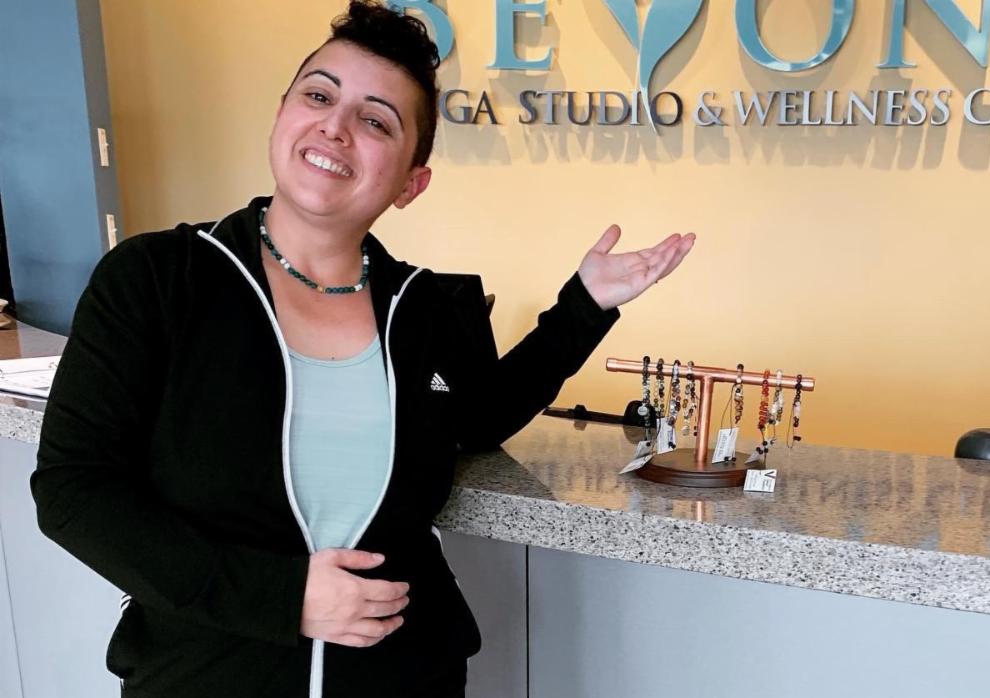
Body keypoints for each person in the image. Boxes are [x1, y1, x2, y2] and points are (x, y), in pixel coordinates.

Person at [30, 2, 695, 697]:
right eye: (319, 96)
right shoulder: (157, 279)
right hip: (201, 676)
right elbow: (75, 489)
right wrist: (279, 595)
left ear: (411, 183)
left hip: (407, 676)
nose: (335, 126)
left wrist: (584, 306)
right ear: (282, 114)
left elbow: (479, 419)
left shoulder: (428, 308)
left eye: (377, 121)